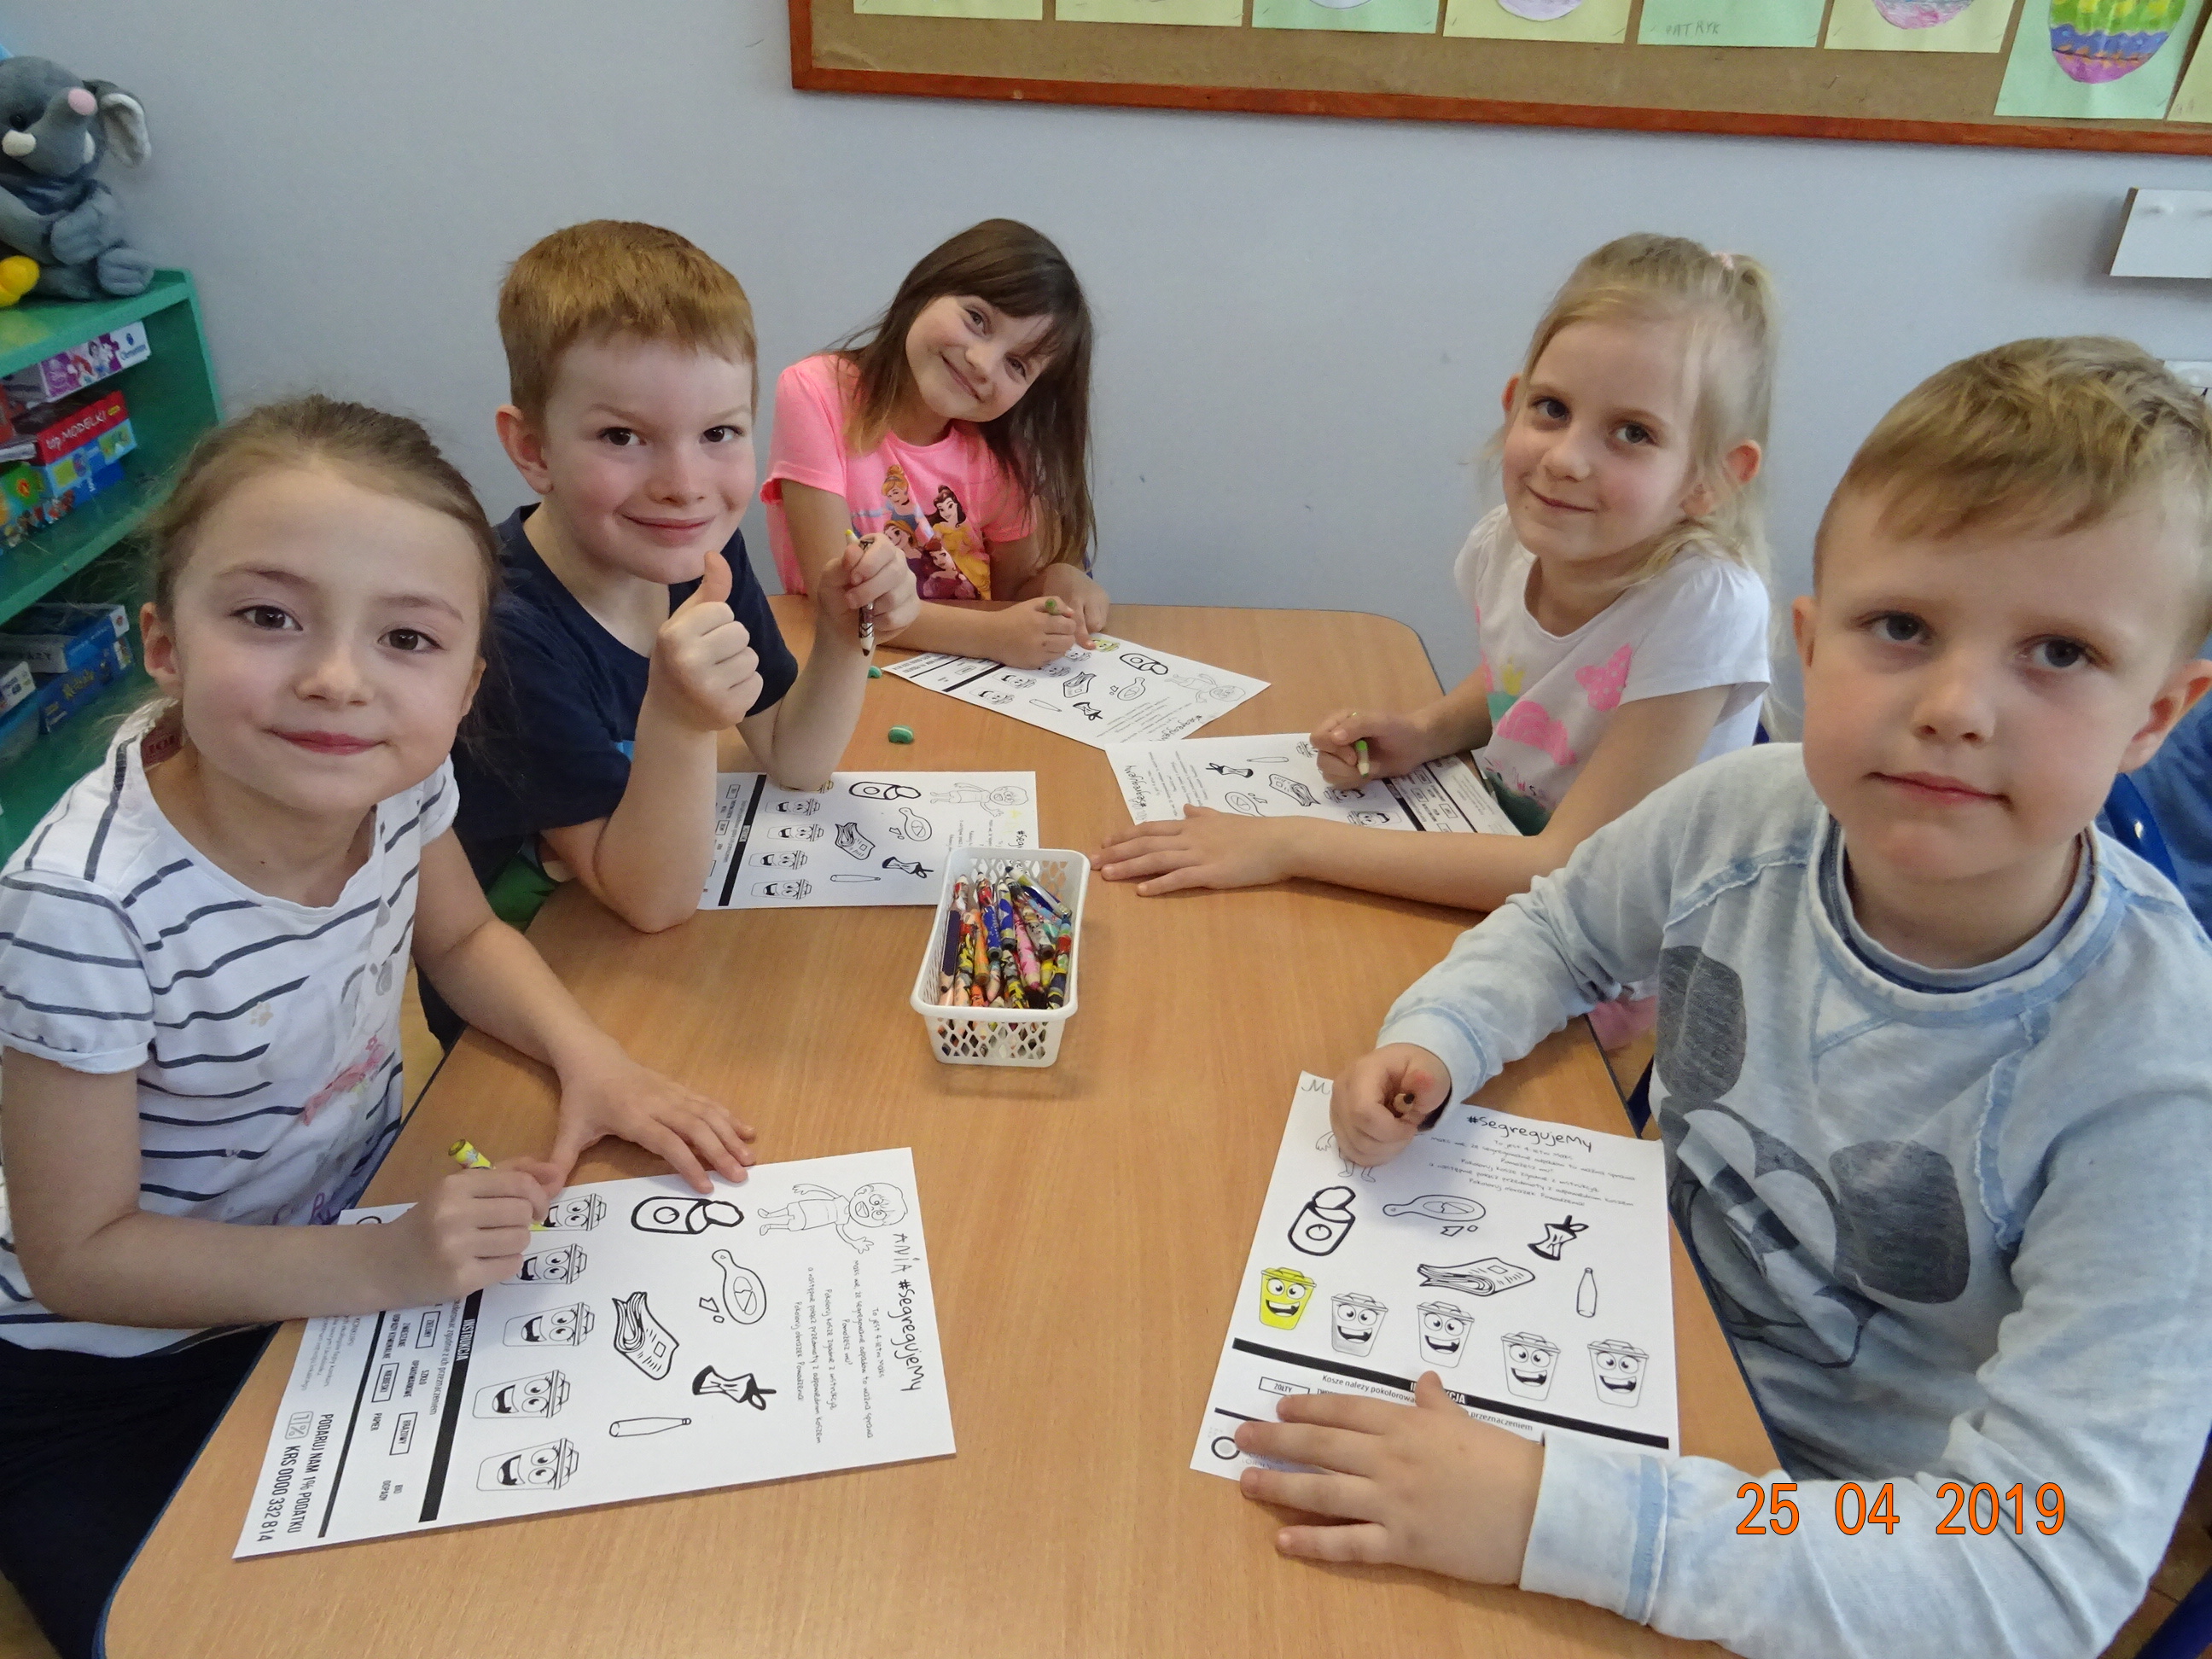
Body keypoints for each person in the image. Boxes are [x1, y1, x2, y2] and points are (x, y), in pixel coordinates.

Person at [1239, 339, 2212, 1659]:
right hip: (1614, 1346)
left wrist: (1551, 1517)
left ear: (2157, 716)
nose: (1954, 707)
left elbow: (2038, 1566)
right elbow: (1564, 927)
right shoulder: (1742, 816)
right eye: (1902, 628)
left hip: (1833, 1538)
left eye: (2059, 652)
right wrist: (1443, 1036)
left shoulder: (2157, 1076)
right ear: (1808, 645)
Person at [0, 397, 758, 1659]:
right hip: (107, 1370)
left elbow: (459, 939)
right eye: (267, 617)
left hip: (346, 1246)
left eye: (406, 638)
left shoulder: (398, 779)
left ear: (464, 688)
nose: (338, 678)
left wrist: (594, 1059)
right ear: (163, 641)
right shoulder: (83, 909)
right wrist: (381, 1269)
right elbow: (81, 1257)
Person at [1098, 235, 1774, 915]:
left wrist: (1290, 843)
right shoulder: (1507, 544)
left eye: (1633, 433)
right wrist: (1425, 733)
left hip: (1643, 937)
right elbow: (1529, 680)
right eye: (1553, 409)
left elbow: (1568, 871)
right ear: (1513, 403)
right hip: (1507, 861)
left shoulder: (1705, 606)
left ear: (1713, 479)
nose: (1566, 459)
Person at [450, 220, 919, 956]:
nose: (684, 486)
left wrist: (841, 633)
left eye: (718, 433)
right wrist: (678, 719)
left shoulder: (699, 555)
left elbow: (794, 757)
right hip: (542, 968)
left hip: (639, 946)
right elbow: (652, 901)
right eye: (622, 437)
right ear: (534, 450)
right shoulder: (504, 629)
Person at [762, 218, 1108, 670]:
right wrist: (992, 635)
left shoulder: (1004, 452)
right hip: (845, 669)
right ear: (927, 287)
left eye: (1018, 365)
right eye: (977, 319)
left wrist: (1058, 580)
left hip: (972, 681)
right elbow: (844, 601)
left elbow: (1013, 595)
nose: (982, 363)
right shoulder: (816, 392)